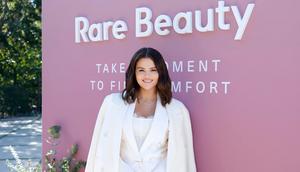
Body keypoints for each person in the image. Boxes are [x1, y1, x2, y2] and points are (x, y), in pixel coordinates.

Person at [85, 47, 197, 172]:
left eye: (153, 70)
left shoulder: (177, 110)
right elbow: (99, 150)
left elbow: (182, 160)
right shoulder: (113, 104)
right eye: (141, 70)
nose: (147, 75)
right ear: (134, 73)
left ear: (161, 72)